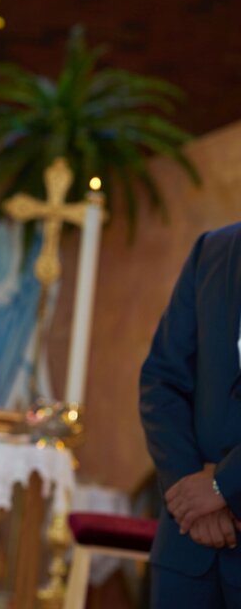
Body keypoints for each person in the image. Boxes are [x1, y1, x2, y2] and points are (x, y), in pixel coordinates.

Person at [139, 222, 241, 607]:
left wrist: (224, 486)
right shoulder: (212, 249)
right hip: (188, 551)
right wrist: (188, 488)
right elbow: (162, 380)